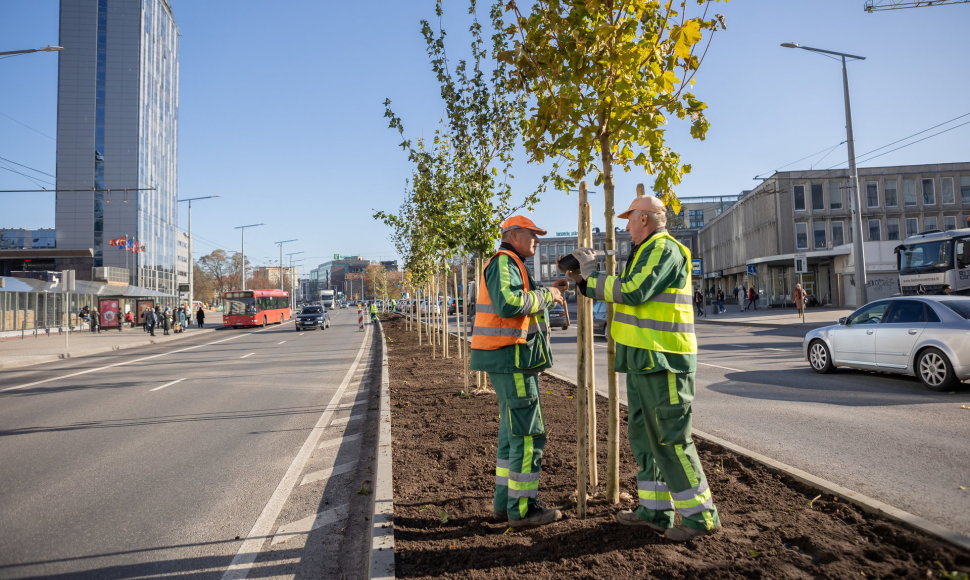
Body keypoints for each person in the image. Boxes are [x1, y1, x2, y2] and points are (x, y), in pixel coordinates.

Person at [563, 195, 720, 542]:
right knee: (646, 438)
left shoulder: (665, 249)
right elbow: (625, 293)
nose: (626, 227)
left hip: (665, 359)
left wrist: (594, 277)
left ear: (645, 219)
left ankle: (700, 518)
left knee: (670, 439)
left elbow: (634, 291)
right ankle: (655, 510)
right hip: (643, 359)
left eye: (629, 220)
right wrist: (585, 280)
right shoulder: (644, 251)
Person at [470, 215, 566, 529]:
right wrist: (547, 295)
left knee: (512, 434)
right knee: (529, 434)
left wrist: (549, 292)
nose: (536, 241)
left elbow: (524, 304)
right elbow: (509, 305)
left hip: (510, 358)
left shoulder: (514, 264)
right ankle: (521, 509)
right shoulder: (503, 262)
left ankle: (503, 504)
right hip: (511, 359)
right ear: (513, 234)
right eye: (533, 235)